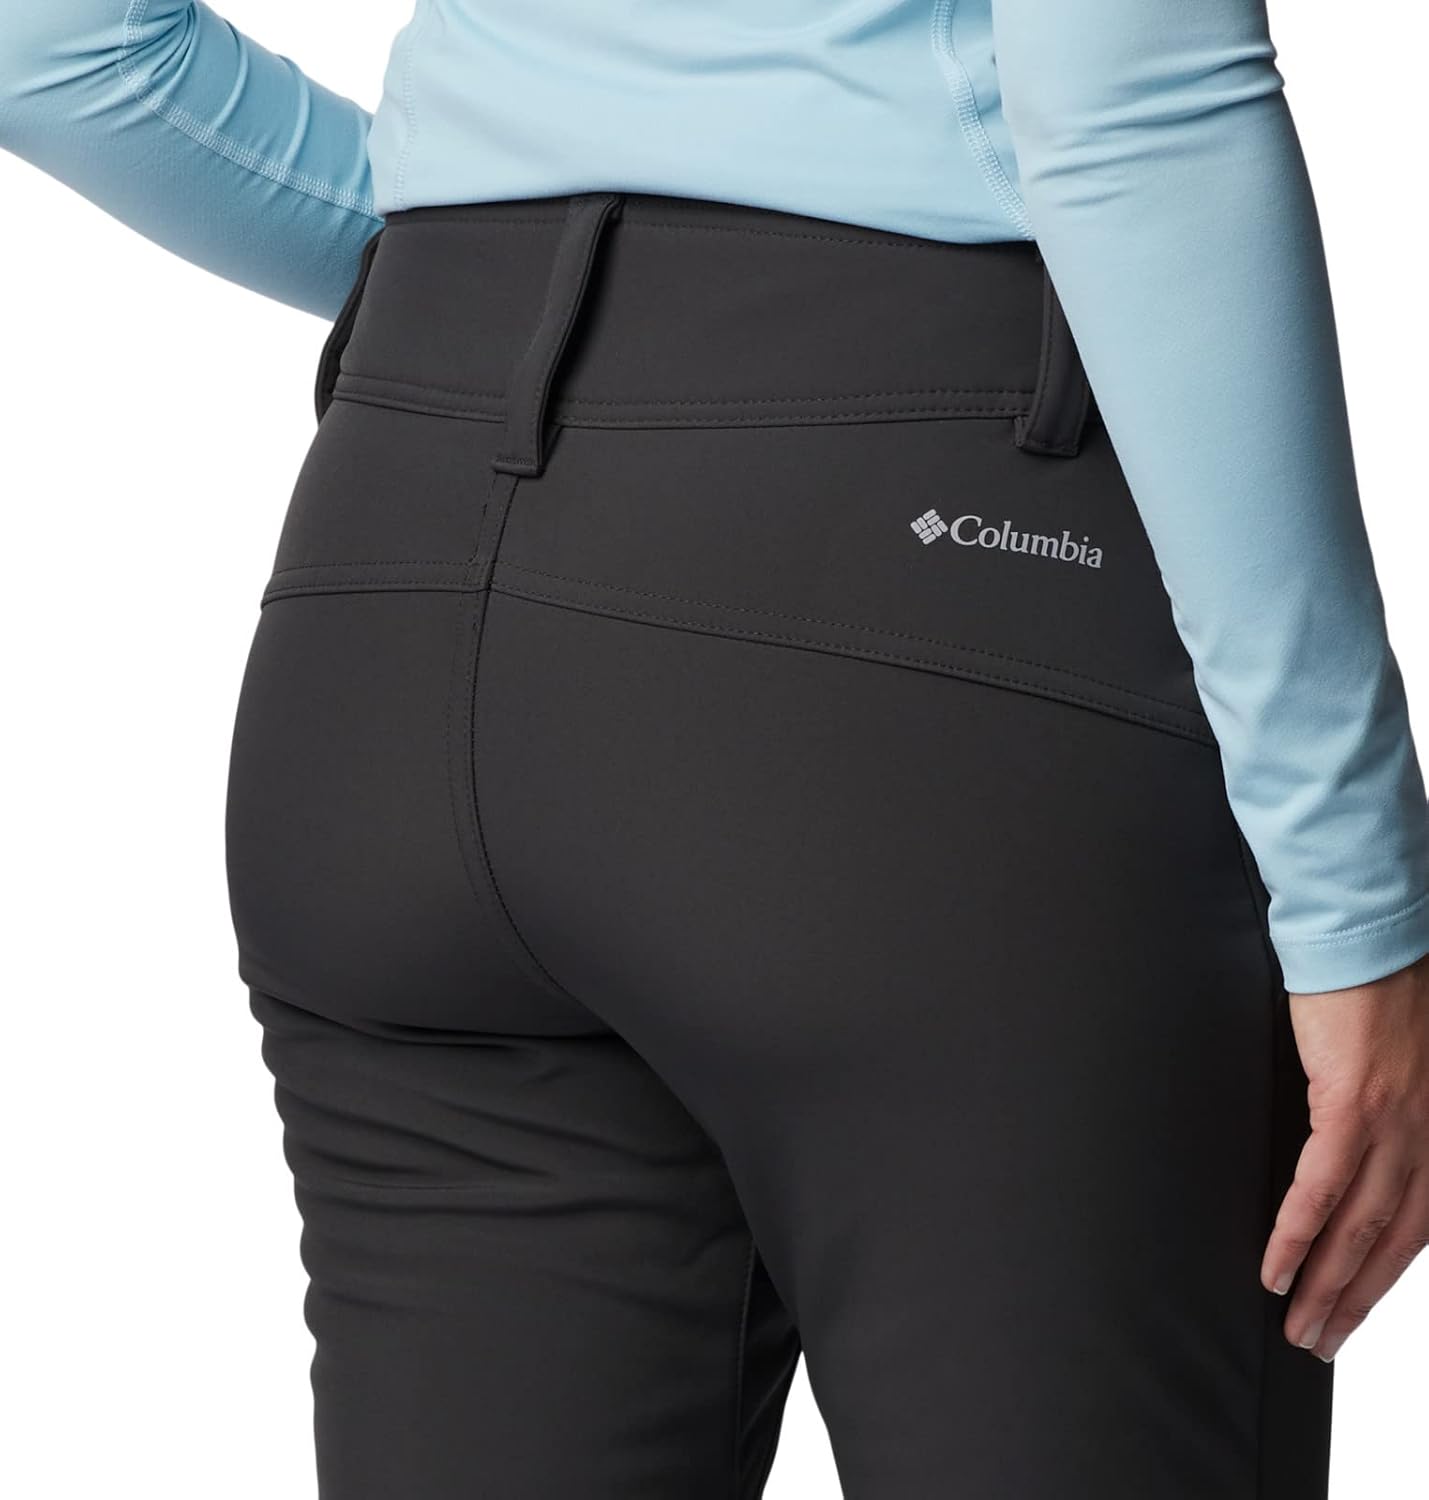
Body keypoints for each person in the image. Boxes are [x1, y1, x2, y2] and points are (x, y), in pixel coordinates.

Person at [3, 4, 1427, 1497]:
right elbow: (1129, 106)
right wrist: (1353, 890)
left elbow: (46, 44)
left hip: (401, 590)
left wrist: (489, 261)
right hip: (919, 618)